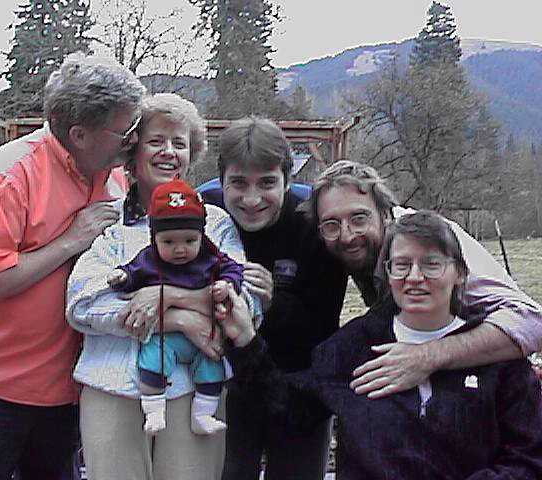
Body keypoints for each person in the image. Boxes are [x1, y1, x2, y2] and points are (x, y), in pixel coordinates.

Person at [0, 53, 145, 479]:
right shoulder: (8, 174)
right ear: (80, 134)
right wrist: (70, 240)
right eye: (125, 131)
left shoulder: (114, 177)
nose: (133, 141)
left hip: (67, 390)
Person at [219, 211, 542, 479]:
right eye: (401, 265)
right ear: (387, 274)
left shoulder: (496, 354)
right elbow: (291, 409)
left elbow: (528, 458)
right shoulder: (354, 347)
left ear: (459, 273)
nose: (414, 277)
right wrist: (245, 340)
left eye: (431, 264)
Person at [66, 93, 258, 480]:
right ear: (133, 149)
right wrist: (179, 320)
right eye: (156, 141)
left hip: (194, 389)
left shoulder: (214, 222)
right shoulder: (107, 221)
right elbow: (82, 305)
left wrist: (164, 296)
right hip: (111, 384)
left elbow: (244, 305)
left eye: (179, 143)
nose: (168, 152)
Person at [300, 160, 542, 399]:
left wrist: (427, 356)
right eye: (331, 225)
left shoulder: (432, 241)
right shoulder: (362, 250)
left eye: (359, 219)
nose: (347, 235)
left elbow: (532, 322)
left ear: (385, 213)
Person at [200, 116, 348, 480]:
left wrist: (273, 303)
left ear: (287, 180)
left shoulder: (314, 224)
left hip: (298, 379)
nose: (251, 199)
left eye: (267, 183)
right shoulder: (204, 215)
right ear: (221, 180)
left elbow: (324, 326)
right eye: (239, 183)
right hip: (223, 378)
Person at [108, 178, 243, 436]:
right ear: (154, 238)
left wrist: (227, 284)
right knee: (153, 359)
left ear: (202, 237)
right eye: (169, 242)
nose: (180, 250)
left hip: (206, 337)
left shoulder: (210, 256)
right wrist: (122, 277)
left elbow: (234, 269)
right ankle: (154, 411)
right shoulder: (149, 259)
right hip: (166, 336)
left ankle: (203, 415)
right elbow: (132, 273)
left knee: (212, 366)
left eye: (190, 241)